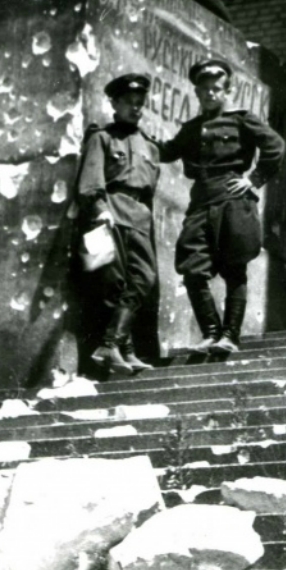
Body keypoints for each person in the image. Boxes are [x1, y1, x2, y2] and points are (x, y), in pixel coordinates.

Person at [157, 59, 286, 355]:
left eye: (216, 88)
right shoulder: (191, 129)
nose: (210, 93)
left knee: (234, 267)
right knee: (192, 268)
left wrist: (253, 180)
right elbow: (167, 151)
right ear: (197, 92)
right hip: (201, 201)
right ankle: (211, 332)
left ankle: (229, 336)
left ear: (227, 91)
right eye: (204, 89)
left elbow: (275, 146)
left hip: (232, 199)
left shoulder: (242, 120)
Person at [75, 73, 161, 374]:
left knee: (144, 279)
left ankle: (111, 344)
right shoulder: (102, 137)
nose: (135, 108)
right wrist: (99, 208)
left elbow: (150, 190)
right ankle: (122, 349)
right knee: (114, 284)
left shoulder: (150, 146)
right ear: (114, 104)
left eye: (140, 103)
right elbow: (90, 180)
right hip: (110, 212)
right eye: (129, 102)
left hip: (139, 218)